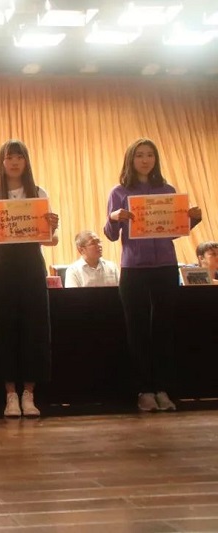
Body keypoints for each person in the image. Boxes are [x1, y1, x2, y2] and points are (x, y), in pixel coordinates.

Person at [104, 138, 202, 412]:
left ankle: (162, 389)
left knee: (163, 330)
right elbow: (110, 235)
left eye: (150, 155)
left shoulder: (167, 190)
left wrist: (192, 220)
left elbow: (172, 231)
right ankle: (143, 390)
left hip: (166, 267)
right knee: (137, 332)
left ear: (156, 159)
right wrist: (113, 218)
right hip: (133, 269)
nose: (145, 160)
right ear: (130, 159)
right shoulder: (119, 192)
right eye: (140, 155)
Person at [0, 140, 59, 418]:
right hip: (2, 266)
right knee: (2, 327)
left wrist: (52, 226)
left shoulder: (38, 193)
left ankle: (29, 394)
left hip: (31, 264)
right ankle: (10, 394)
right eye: (9, 157)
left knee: (34, 326)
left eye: (19, 157)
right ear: (2, 162)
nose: (14, 162)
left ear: (26, 161)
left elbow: (51, 239)